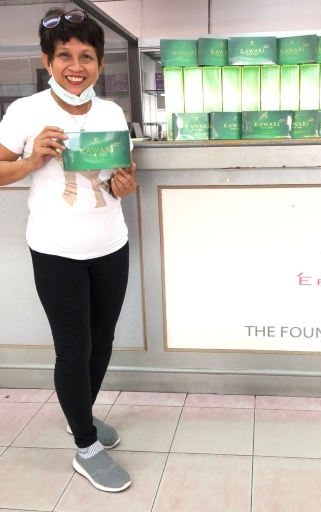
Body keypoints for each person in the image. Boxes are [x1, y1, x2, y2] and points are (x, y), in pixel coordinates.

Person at [0, 7, 137, 492]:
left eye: (86, 56)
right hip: (56, 251)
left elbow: (120, 174)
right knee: (73, 349)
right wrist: (31, 160)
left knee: (103, 341)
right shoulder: (26, 112)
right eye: (65, 56)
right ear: (47, 60)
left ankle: (80, 413)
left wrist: (124, 184)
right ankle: (86, 443)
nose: (75, 66)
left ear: (99, 64)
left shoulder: (111, 112)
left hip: (111, 244)